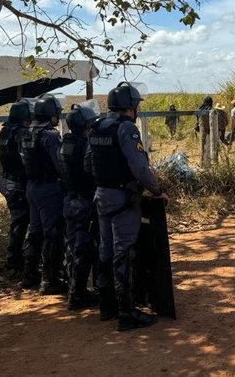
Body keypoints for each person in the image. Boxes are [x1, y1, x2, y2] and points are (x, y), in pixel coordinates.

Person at [86, 82, 168, 331]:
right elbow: (140, 167)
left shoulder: (97, 126)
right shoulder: (127, 129)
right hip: (122, 199)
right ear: (131, 106)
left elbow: (88, 164)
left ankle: (106, 306)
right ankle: (126, 312)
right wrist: (157, 191)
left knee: (105, 251)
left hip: (101, 196)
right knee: (124, 254)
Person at [20, 94, 66, 294]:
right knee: (52, 233)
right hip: (48, 189)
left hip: (32, 187)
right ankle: (49, 279)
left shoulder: (27, 133)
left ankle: (29, 275)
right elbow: (60, 164)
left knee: (35, 232)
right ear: (51, 114)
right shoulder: (50, 135)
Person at [60, 104, 99, 311]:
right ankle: (78, 294)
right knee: (84, 248)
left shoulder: (65, 143)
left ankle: (73, 288)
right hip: (84, 201)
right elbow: (92, 170)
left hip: (69, 201)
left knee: (71, 245)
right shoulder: (85, 145)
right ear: (85, 125)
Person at [0, 100, 32, 273]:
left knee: (18, 220)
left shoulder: (5, 131)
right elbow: (26, 159)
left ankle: (16, 256)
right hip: (18, 183)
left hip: (6, 180)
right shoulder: (21, 134)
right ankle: (15, 260)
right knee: (21, 222)